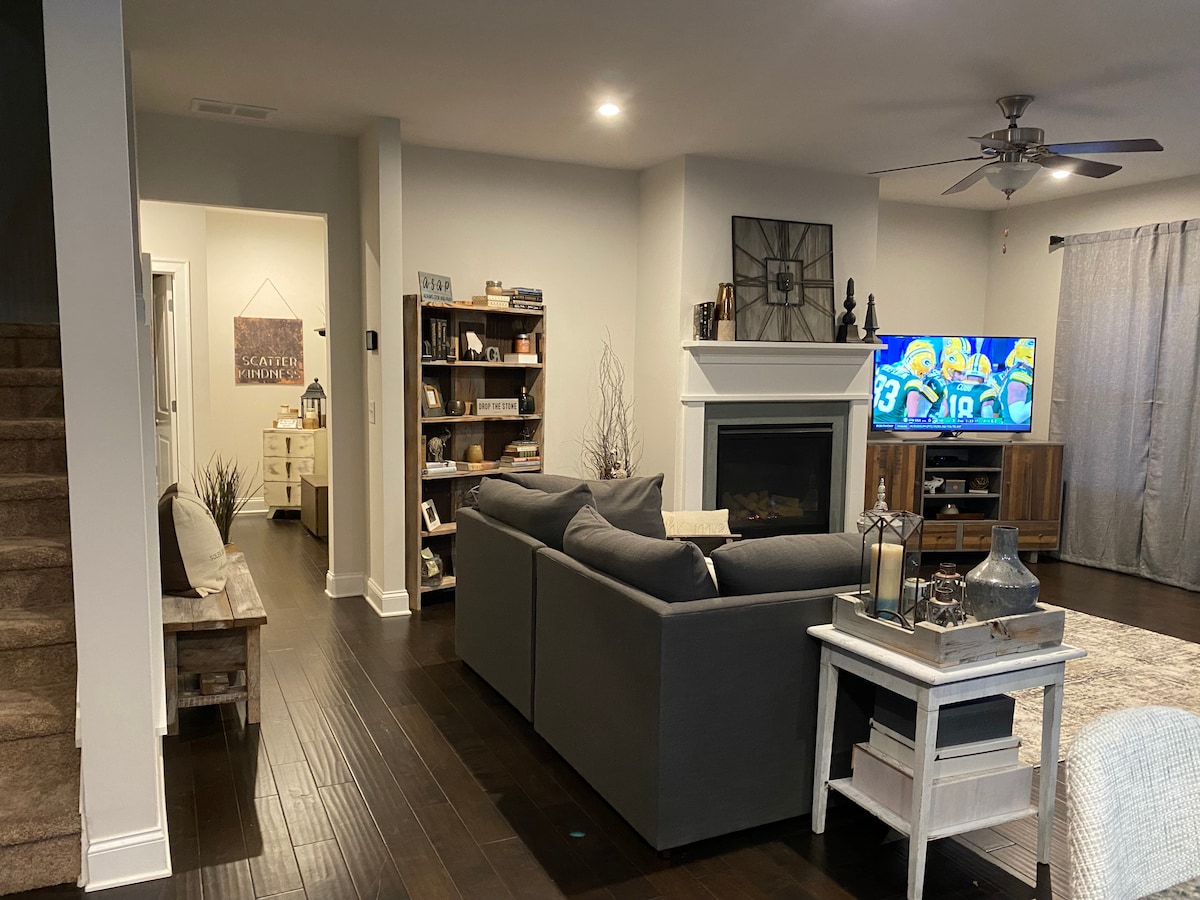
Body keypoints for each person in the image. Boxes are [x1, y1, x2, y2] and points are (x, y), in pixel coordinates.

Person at [873, 339, 943, 424]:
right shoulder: (913, 381)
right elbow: (911, 420)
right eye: (921, 373)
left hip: (870, 421)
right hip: (892, 426)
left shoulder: (882, 368)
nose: (922, 376)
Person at [940, 352, 996, 422]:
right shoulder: (986, 391)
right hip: (975, 432)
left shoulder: (950, 387)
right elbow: (987, 423)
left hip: (954, 430)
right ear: (987, 373)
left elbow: (941, 418)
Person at [993, 338, 1035, 424]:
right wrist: (1044, 400)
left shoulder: (1024, 373)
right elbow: (1018, 416)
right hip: (1017, 433)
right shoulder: (1020, 377)